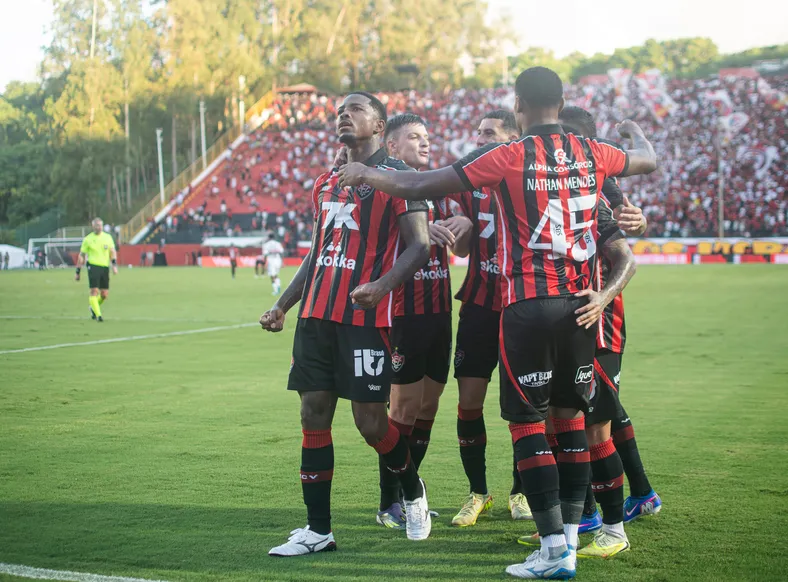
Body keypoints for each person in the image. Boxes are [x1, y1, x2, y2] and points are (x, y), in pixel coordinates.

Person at [338, 66, 657, 579]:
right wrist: (632, 133)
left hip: (527, 307)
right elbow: (647, 159)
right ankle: (570, 543)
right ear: (560, 101)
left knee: (528, 424)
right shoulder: (592, 154)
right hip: (581, 307)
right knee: (571, 422)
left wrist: (367, 173)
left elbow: (419, 181)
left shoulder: (509, 155)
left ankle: (554, 549)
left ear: (519, 107)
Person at [260, 92, 433, 556]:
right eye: (339, 110)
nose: (343, 114)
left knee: (371, 423)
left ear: (379, 126)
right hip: (316, 314)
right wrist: (283, 305)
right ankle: (318, 530)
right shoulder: (324, 183)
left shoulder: (401, 179)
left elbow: (419, 247)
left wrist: (381, 285)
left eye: (355, 109)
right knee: (312, 412)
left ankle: (412, 490)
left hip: (365, 317)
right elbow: (317, 253)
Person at [558, 105, 662, 557]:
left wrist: (637, 218)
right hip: (568, 317)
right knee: (589, 413)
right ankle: (621, 500)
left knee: (592, 417)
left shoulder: (600, 182)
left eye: (568, 137)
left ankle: (599, 517)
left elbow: (624, 236)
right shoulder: (550, 180)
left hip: (599, 319)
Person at [374, 114, 473, 529]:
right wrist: (418, 229)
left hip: (438, 313)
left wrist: (464, 224)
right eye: (414, 137)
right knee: (402, 407)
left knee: (428, 406)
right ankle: (390, 502)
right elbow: (375, 242)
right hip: (402, 315)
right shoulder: (386, 189)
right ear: (392, 146)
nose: (425, 143)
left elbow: (463, 251)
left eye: (427, 137)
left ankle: (407, 493)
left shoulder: (440, 189)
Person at [446, 110, 532, 526]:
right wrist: (459, 227)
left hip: (521, 306)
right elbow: (461, 250)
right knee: (468, 403)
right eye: (477, 132)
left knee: (523, 406)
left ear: (513, 139)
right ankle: (478, 492)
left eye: (489, 134)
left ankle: (521, 491)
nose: (479, 139)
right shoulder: (470, 182)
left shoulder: (529, 178)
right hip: (479, 307)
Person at [75, 218, 118, 322]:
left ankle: (93, 307)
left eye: (100, 225)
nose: (98, 227)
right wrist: (78, 271)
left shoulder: (107, 237)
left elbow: (112, 251)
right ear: (93, 226)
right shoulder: (88, 239)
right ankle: (98, 315)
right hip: (93, 266)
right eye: (96, 225)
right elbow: (82, 255)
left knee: (104, 294)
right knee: (94, 291)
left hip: (104, 267)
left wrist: (114, 265)